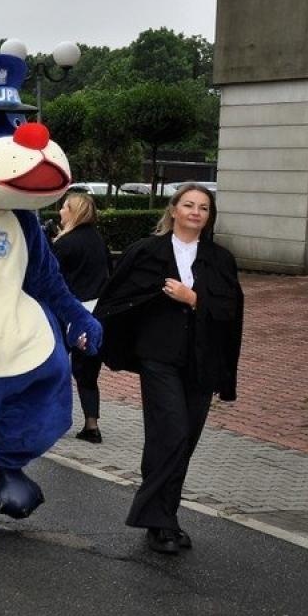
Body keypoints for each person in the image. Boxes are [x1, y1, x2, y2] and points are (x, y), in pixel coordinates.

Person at [96, 183, 243, 555]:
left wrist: (194, 299)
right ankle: (158, 519)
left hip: (202, 361)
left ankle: (165, 518)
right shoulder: (146, 251)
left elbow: (229, 313)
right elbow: (117, 296)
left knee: (183, 440)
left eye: (204, 208)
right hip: (158, 357)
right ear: (174, 210)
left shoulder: (220, 259)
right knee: (172, 432)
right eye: (189, 204)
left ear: (209, 217)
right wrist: (96, 339)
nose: (196, 212)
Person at [52, 191, 114, 443]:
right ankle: (92, 424)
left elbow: (50, 278)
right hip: (95, 315)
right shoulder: (99, 242)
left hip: (66, 313)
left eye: (65, 207)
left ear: (74, 212)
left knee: (55, 367)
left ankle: (54, 421)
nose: (60, 211)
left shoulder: (65, 244)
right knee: (88, 372)